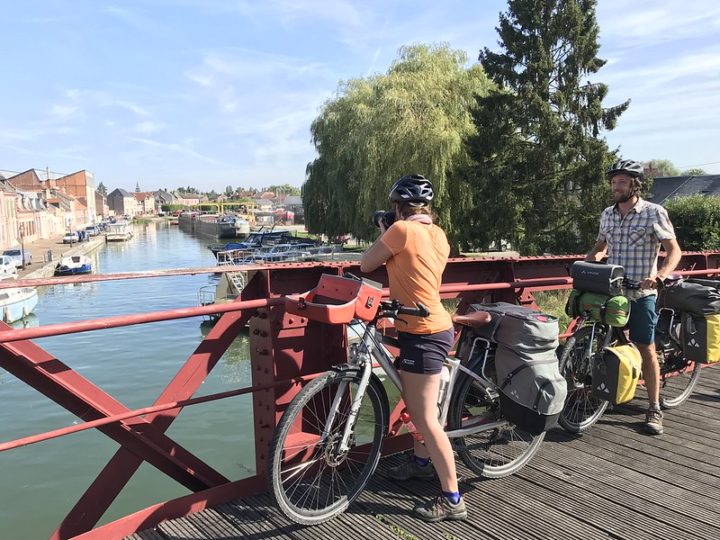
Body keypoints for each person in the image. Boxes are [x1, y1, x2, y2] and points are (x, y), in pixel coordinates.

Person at [360, 174, 466, 522]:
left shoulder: (400, 231)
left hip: (422, 331)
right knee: (417, 402)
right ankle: (421, 463)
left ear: (396, 207)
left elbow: (366, 264)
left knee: (425, 417)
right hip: (428, 325)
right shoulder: (438, 234)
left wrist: (384, 228)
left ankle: (452, 499)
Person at [585, 159, 682, 435]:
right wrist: (588, 262)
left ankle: (654, 407)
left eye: (622, 182)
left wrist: (661, 274)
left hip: (641, 292)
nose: (616, 187)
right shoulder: (607, 214)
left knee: (645, 346)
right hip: (614, 291)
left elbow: (674, 250)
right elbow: (601, 245)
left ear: (635, 184)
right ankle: (615, 387)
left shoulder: (653, 212)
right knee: (607, 338)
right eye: (614, 182)